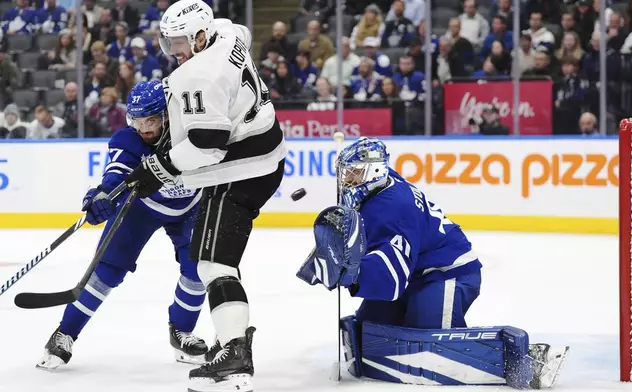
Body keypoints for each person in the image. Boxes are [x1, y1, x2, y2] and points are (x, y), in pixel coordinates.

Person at [296, 137, 569, 389]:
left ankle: (524, 361)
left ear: (373, 172)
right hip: (415, 271)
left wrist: (350, 274)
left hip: (447, 272)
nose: (346, 181)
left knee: (431, 345)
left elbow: (391, 280)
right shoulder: (381, 185)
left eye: (353, 174)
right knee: (371, 327)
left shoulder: (393, 209)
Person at [122, 2, 287, 391]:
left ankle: (233, 355)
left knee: (212, 263)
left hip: (241, 169)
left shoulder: (198, 75)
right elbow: (241, 34)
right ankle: (231, 340)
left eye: (179, 41)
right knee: (212, 258)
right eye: (168, 41)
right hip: (266, 155)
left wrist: (156, 168)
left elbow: (207, 146)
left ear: (200, 35)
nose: (172, 50)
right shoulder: (226, 33)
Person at [37, 80, 209, 370]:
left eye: (151, 120)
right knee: (107, 270)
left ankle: (182, 331)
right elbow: (116, 173)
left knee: (199, 269)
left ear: (167, 115)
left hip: (189, 209)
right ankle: (64, 333)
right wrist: (102, 196)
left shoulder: (192, 132)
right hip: (142, 209)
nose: (144, 129)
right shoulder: (128, 140)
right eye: (138, 121)